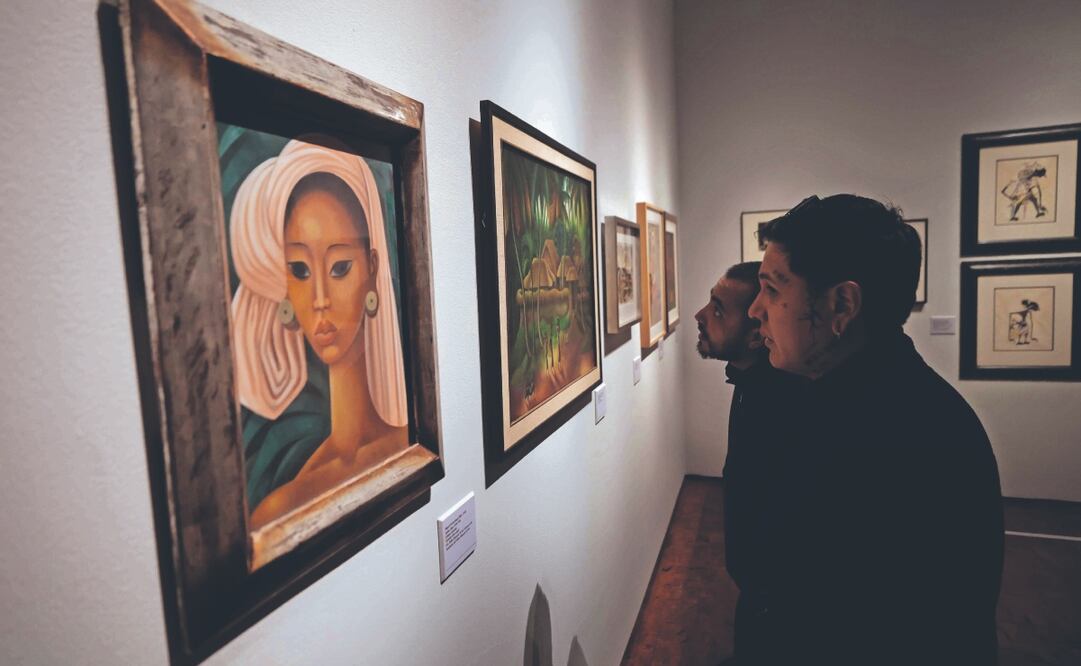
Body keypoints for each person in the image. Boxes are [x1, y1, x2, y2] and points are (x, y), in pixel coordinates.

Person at [743, 194, 1003, 664]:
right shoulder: (841, 398)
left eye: (774, 289)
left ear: (842, 304)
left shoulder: (914, 441)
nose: (756, 309)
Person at [229, 138, 409, 529]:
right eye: (299, 270)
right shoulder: (279, 509)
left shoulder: (413, 442)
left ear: (372, 268)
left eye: (340, 267)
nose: (320, 300)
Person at [695, 262, 803, 662]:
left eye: (719, 309)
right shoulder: (748, 384)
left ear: (758, 333)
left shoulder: (782, 405)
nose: (700, 316)